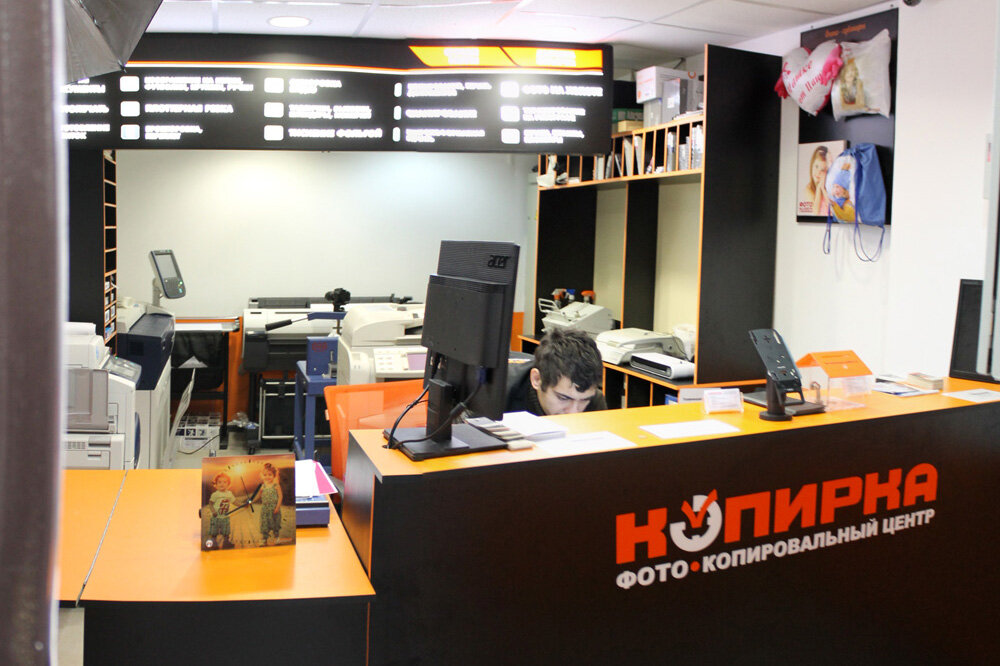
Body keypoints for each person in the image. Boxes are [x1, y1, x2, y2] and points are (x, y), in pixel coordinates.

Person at [506, 328, 607, 416]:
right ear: (537, 379)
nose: (573, 412)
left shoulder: (594, 399)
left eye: (584, 400)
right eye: (563, 398)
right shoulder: (501, 394)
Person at [208, 471, 236, 549]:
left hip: (225, 517)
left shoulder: (229, 494)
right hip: (216, 517)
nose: (222, 484)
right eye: (219, 482)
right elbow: (210, 503)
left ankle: (226, 543)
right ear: (216, 484)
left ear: (228, 484)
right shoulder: (215, 494)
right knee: (214, 532)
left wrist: (243, 504)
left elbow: (235, 501)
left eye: (224, 482)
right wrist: (213, 511)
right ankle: (214, 543)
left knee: (226, 532)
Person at [257, 462, 283, 546]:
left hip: (274, 508)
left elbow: (280, 496)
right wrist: (250, 501)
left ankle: (276, 538)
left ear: (274, 475)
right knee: (265, 524)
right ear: (262, 475)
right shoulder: (263, 486)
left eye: (270, 474)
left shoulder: (276, 485)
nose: (267, 477)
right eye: (265, 475)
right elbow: (258, 496)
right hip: (265, 509)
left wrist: (277, 507)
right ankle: (264, 539)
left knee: (275, 524)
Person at [802, 145, 830, 216]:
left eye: (822, 170)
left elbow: (832, 209)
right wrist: (818, 189)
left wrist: (823, 188)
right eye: (816, 166)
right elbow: (815, 212)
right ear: (812, 165)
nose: (818, 172)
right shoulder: (808, 189)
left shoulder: (828, 187)